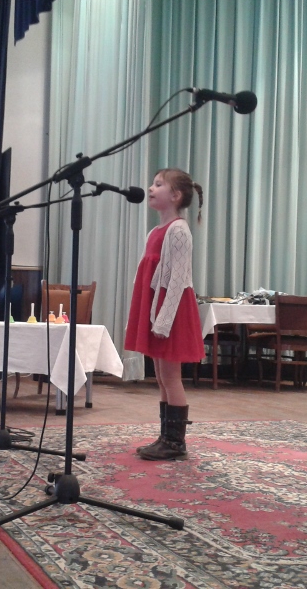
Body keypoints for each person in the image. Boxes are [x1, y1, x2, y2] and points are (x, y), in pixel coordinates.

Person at [124, 168, 205, 461]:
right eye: (153, 183)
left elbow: (178, 280)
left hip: (171, 312)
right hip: (157, 310)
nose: (151, 187)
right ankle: (165, 436)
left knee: (171, 376)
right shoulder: (155, 232)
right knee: (160, 375)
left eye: (158, 184)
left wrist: (164, 320)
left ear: (175, 195)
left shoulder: (178, 230)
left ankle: (175, 442)